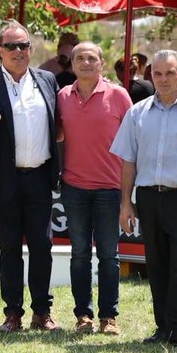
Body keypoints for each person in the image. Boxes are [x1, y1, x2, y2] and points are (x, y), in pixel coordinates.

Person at [111, 50, 177, 350]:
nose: (163, 79)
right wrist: (126, 202)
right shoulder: (138, 113)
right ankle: (162, 328)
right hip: (148, 198)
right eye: (157, 74)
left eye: (169, 73)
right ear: (151, 76)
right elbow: (128, 162)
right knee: (156, 264)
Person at [0, 21, 60, 332]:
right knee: (9, 247)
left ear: (32, 49)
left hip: (39, 177)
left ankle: (42, 311)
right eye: (11, 46)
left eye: (24, 45)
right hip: (4, 180)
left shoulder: (47, 81)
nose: (18, 52)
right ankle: (13, 313)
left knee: (42, 245)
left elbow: (59, 129)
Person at [57, 41, 131, 335]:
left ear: (102, 63)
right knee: (79, 254)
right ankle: (83, 316)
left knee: (109, 256)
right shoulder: (63, 96)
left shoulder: (119, 95)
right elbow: (57, 135)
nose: (86, 63)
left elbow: (133, 140)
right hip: (74, 187)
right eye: (80, 58)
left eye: (92, 58)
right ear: (72, 64)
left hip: (110, 189)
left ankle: (108, 317)